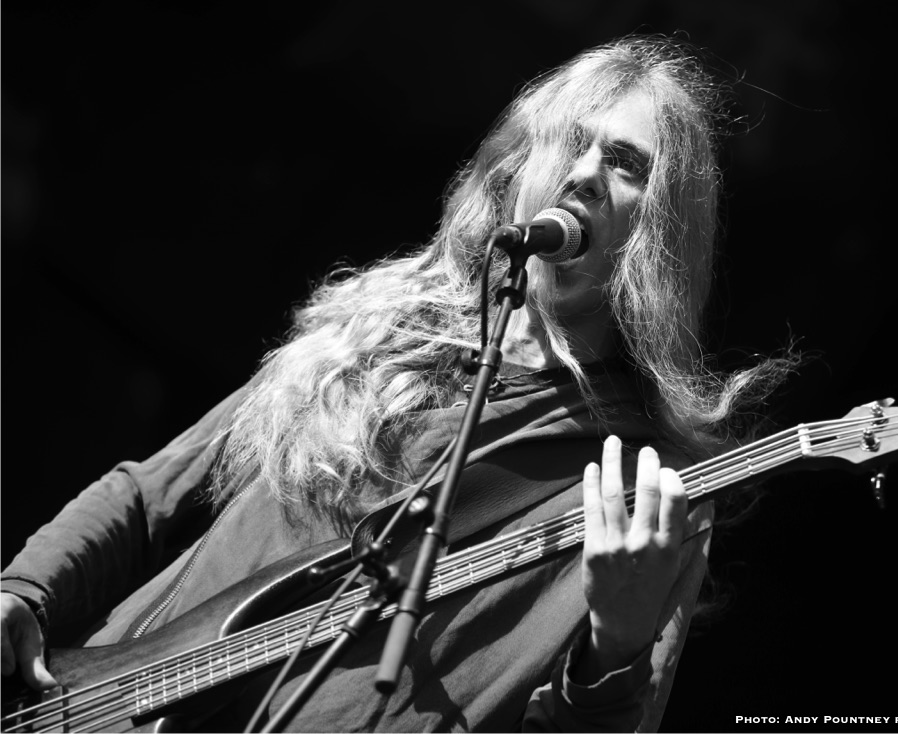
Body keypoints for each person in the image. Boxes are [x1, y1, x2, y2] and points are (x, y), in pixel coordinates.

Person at [1, 35, 790, 731]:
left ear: (663, 228)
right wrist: (26, 590)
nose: (585, 174)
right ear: (523, 168)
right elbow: (152, 494)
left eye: (625, 164)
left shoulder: (648, 487)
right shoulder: (377, 330)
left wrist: (615, 649)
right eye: (571, 142)